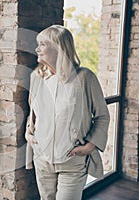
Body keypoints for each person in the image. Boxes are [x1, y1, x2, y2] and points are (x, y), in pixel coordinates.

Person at [25, 25, 110, 200]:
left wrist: (90, 145)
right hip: (42, 158)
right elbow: (34, 113)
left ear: (58, 47)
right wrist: (29, 133)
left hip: (73, 161)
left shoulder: (85, 78)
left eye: (42, 44)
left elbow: (102, 115)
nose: (37, 49)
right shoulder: (36, 77)